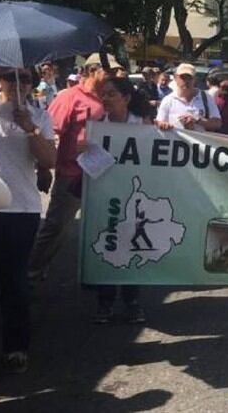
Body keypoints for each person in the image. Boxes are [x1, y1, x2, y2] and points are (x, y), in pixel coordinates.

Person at [0, 68, 56, 373]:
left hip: (22, 210)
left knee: (14, 283)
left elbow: (49, 160)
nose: (18, 85)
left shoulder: (38, 115)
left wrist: (30, 129)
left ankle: (16, 347)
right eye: (10, 78)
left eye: (25, 79)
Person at [28, 53, 121, 281]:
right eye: (108, 71)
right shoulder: (69, 97)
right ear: (92, 71)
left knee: (104, 226)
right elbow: (53, 134)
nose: (113, 75)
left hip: (103, 175)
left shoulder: (110, 99)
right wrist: (44, 169)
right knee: (57, 227)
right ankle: (31, 270)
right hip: (72, 175)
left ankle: (95, 275)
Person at [93, 76, 151, 324]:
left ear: (126, 98)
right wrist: (82, 148)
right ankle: (105, 302)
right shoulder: (97, 126)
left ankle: (132, 300)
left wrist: (165, 131)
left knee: (132, 245)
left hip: (135, 196)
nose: (105, 99)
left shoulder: (143, 124)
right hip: (105, 197)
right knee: (107, 245)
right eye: (103, 94)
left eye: (111, 94)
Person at [155, 63, 221, 132]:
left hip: (199, 142)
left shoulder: (206, 98)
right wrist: (164, 125)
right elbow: (159, 122)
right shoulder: (168, 100)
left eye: (189, 78)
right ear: (175, 78)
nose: (186, 81)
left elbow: (217, 123)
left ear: (195, 79)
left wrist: (198, 120)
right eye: (183, 77)